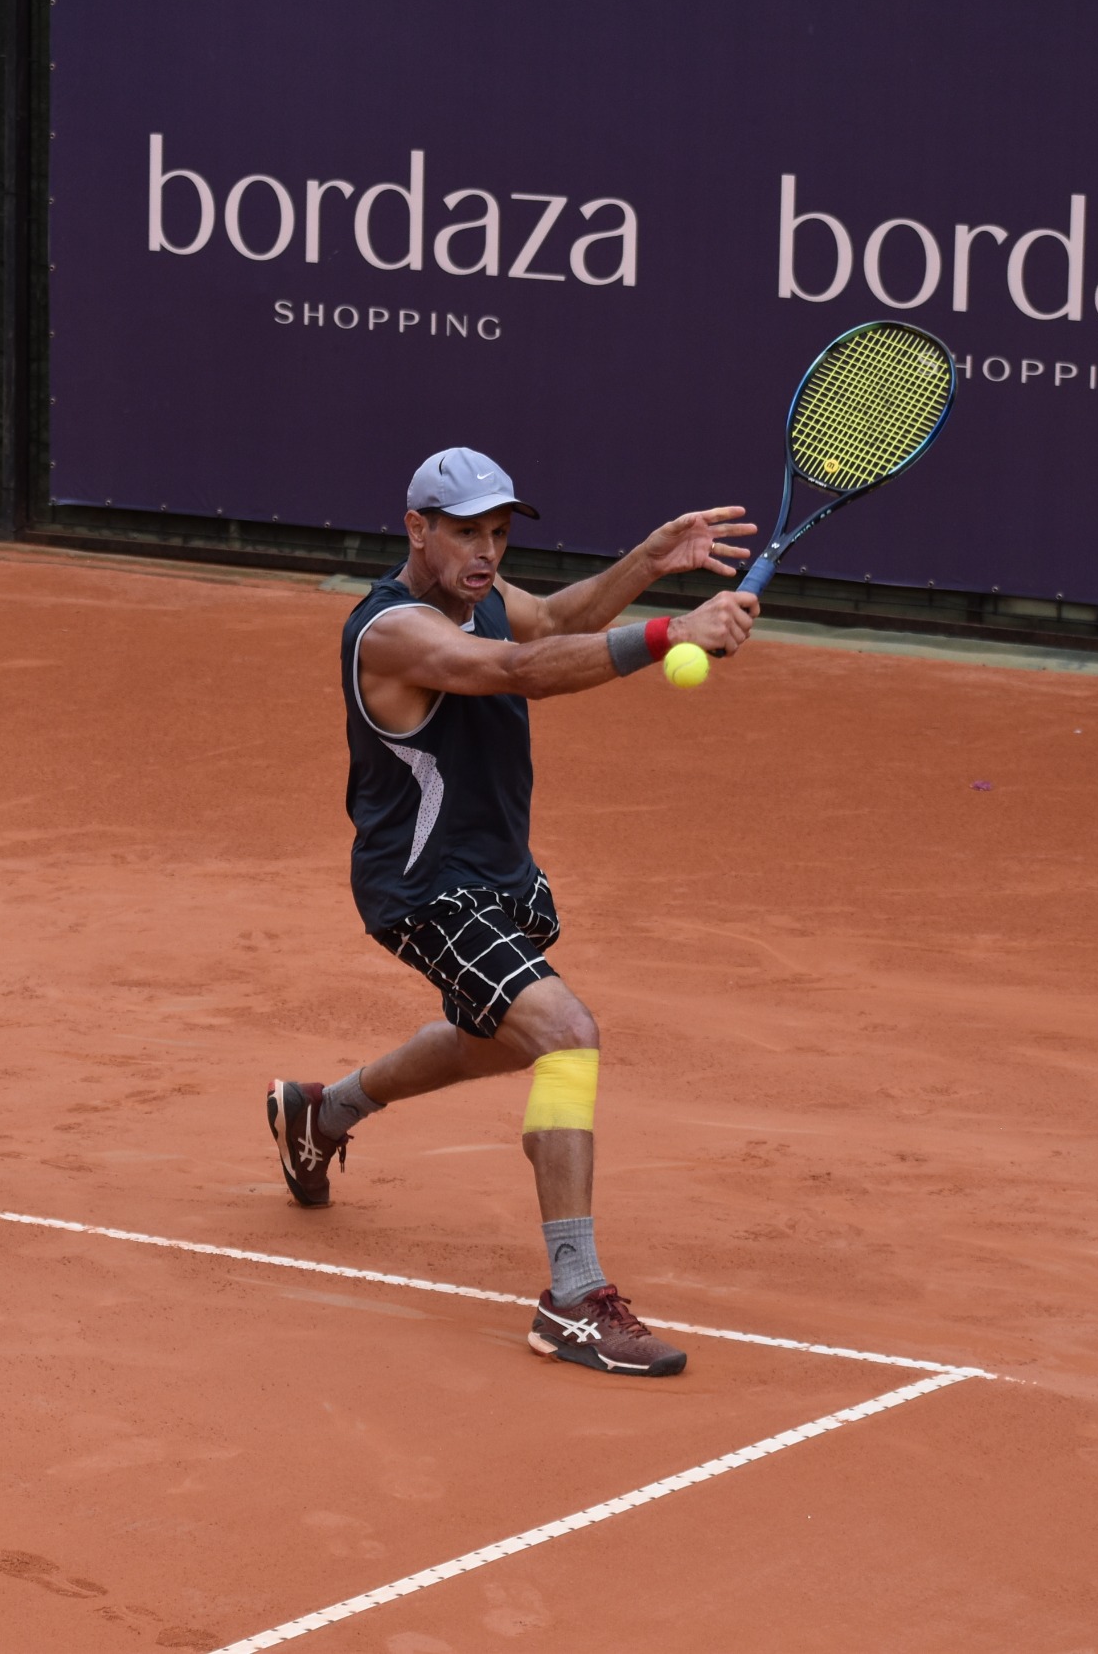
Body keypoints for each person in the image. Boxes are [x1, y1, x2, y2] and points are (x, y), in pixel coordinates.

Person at [268, 447, 761, 1377]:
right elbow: (522, 669)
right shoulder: (394, 631)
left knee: (493, 1039)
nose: (486, 551)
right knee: (566, 1035)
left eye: (498, 532)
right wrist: (668, 634)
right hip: (426, 890)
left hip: (500, 875)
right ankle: (574, 1297)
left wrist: (647, 562)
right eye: (466, 532)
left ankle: (321, 1113)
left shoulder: (480, 594)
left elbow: (556, 620)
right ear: (416, 528)